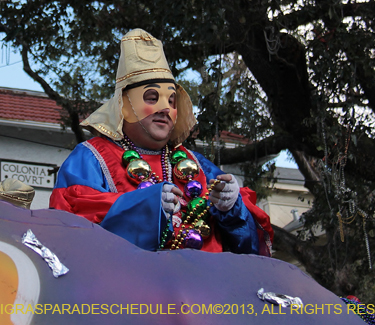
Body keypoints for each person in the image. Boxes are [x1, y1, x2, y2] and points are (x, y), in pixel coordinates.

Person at [50, 29, 273, 253]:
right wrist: (146, 206)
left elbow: (249, 248)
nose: (165, 108)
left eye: (171, 100)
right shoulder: (90, 157)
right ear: (124, 105)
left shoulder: (199, 165)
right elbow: (71, 220)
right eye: (152, 98)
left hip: (205, 275)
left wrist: (233, 209)